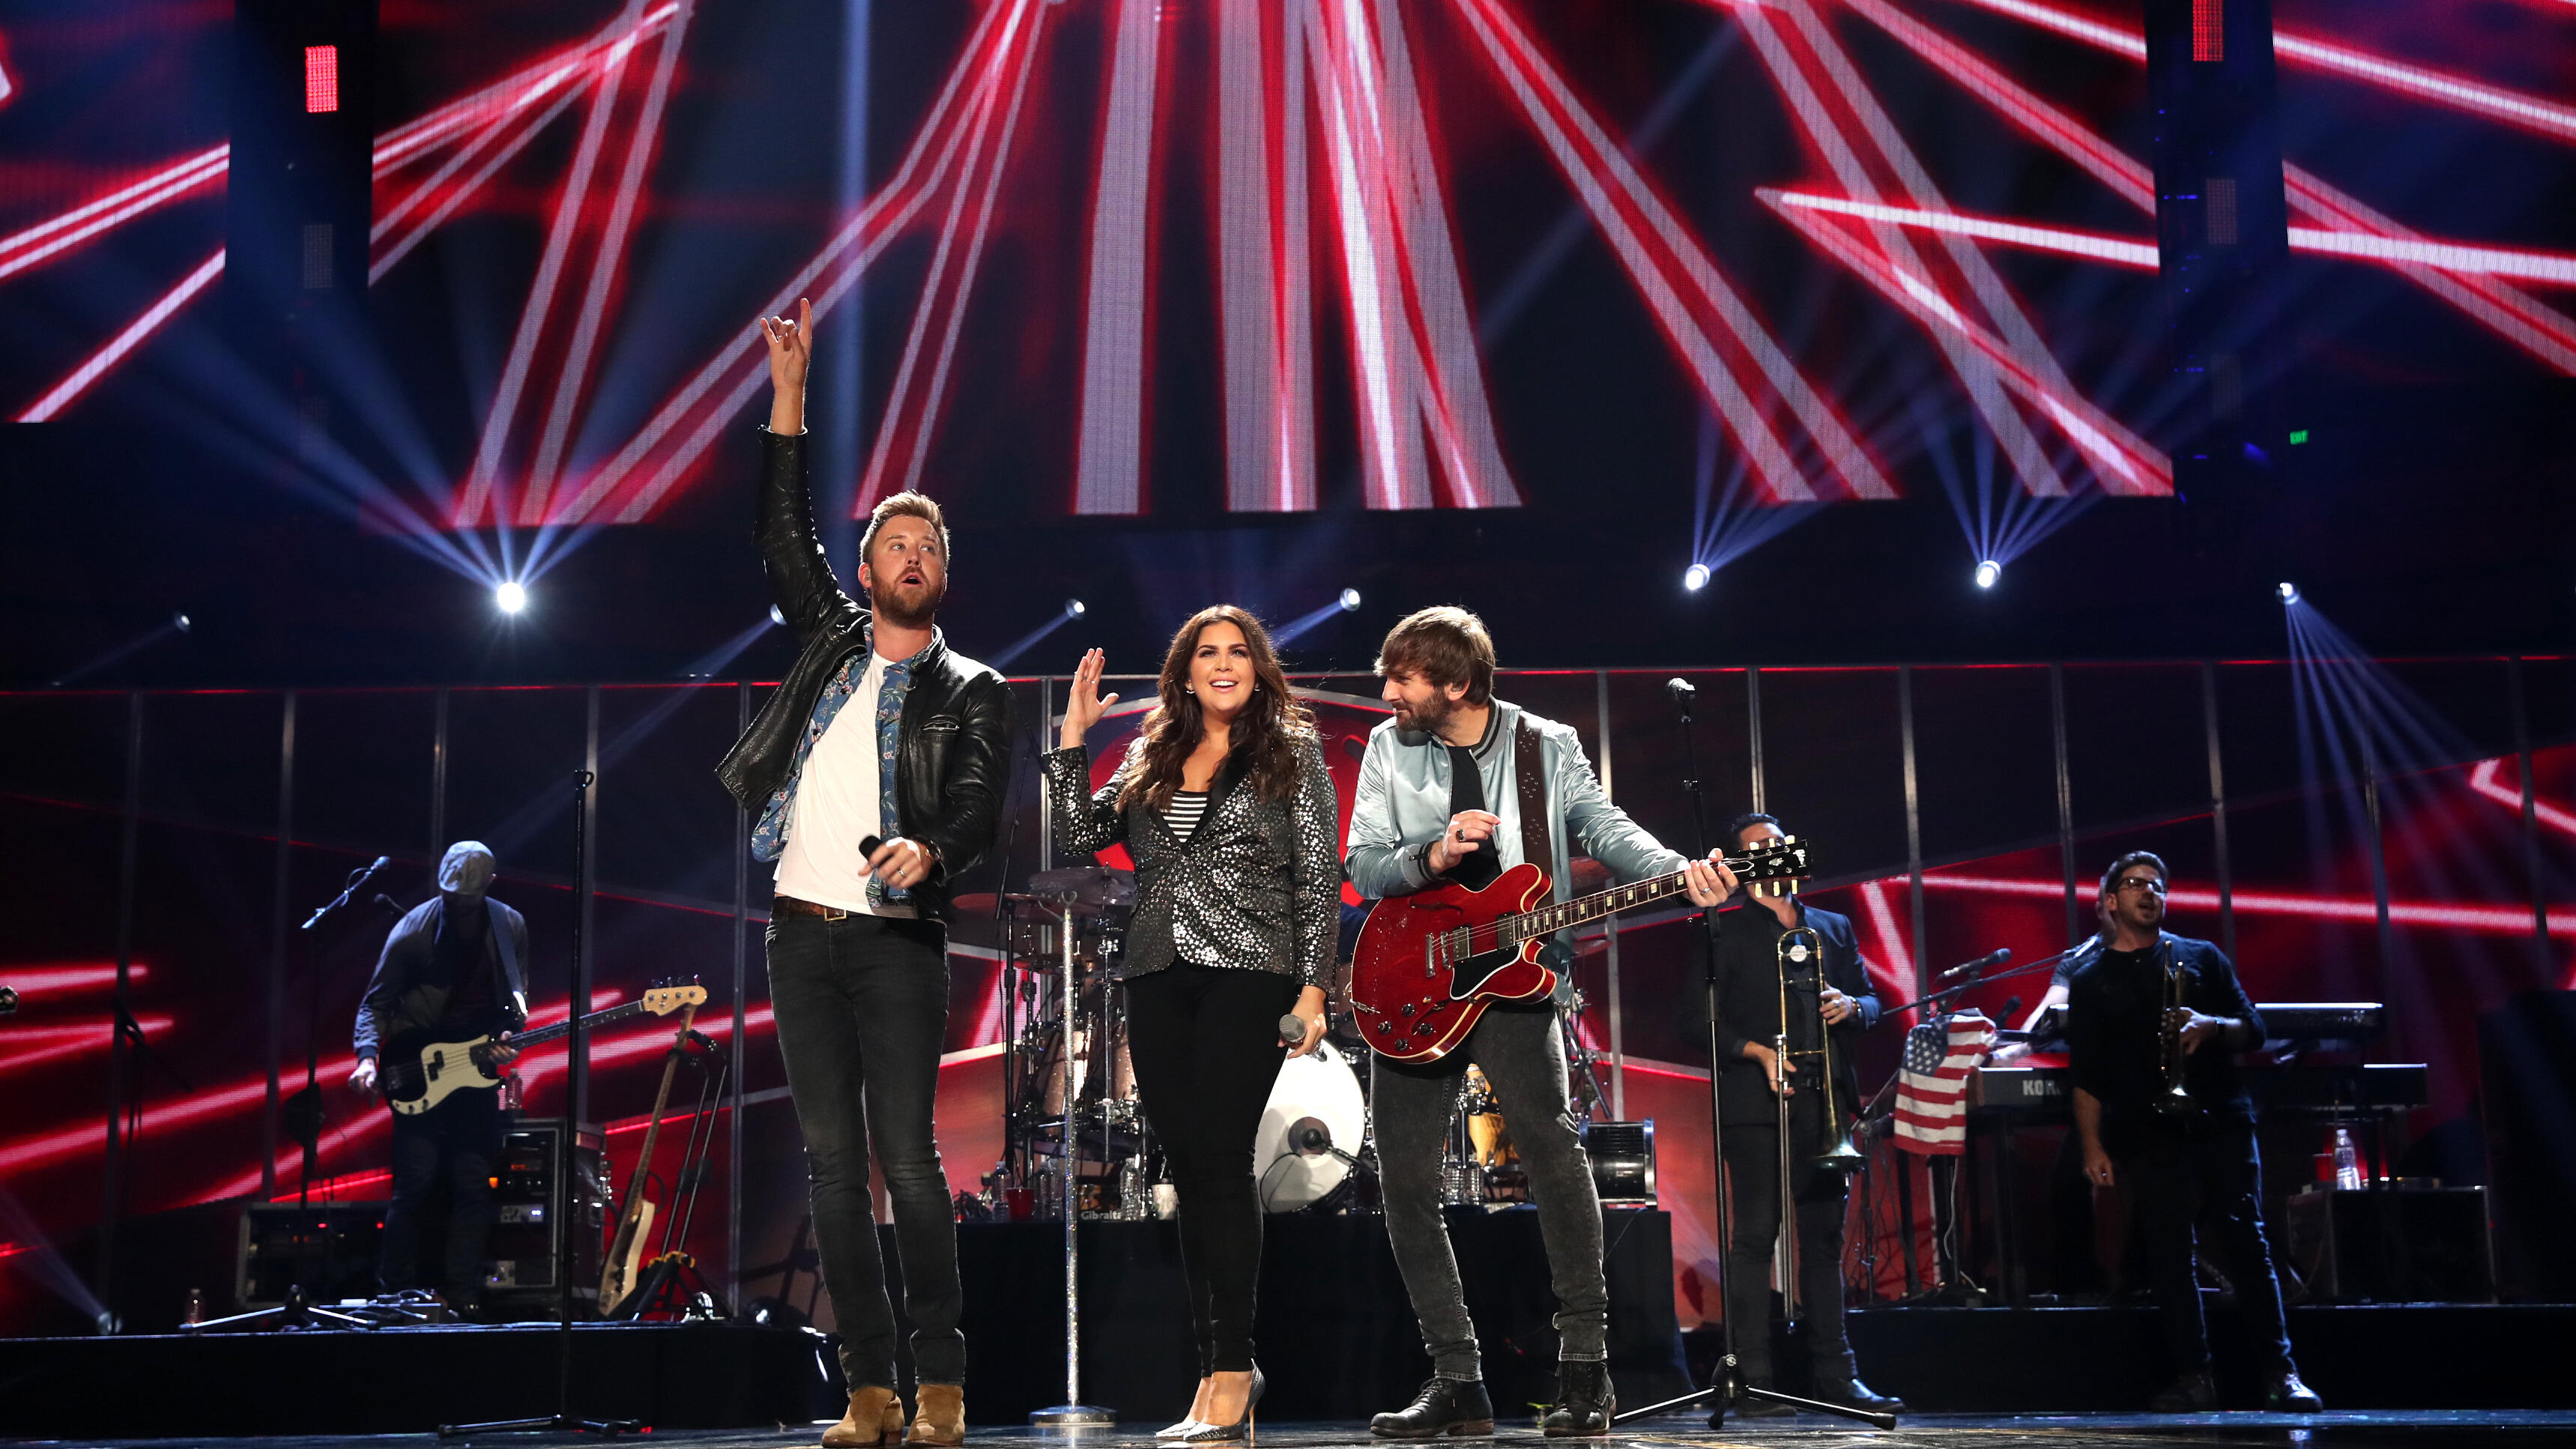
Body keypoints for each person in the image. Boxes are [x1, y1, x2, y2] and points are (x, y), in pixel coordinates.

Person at [716, 298, 1014, 1448]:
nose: (912, 556)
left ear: (944, 573)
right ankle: (869, 1389)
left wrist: (929, 849)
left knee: (908, 1160)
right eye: (896, 542)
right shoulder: (830, 642)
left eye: (929, 546)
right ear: (864, 568)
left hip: (895, 940)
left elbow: (980, 805)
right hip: (799, 932)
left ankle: (941, 1380)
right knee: (831, 1167)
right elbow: (778, 531)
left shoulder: (971, 686)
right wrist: (788, 396)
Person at [1346, 606, 1736, 1439]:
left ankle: (1585, 1371)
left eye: (1403, 679)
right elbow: (1365, 862)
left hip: (1522, 977)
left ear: (1456, 682)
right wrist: (1436, 855)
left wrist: (1679, 871)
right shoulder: (1388, 748)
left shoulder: (1545, 744)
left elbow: (1601, 825)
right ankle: (1456, 1379)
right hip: (1414, 977)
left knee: (1558, 1159)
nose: (1387, 693)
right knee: (1406, 1183)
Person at [1047, 608, 1338, 1445]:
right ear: (1182, 671)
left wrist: (1314, 987)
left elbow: (1319, 877)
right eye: (1206, 652)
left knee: (1220, 1155)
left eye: (1236, 651)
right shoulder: (1151, 753)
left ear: (1257, 668)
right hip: (1158, 973)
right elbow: (1078, 835)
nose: (1222, 663)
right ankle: (1216, 1367)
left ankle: (1233, 1367)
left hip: (1252, 971)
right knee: (1188, 1166)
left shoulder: (1291, 750)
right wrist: (1073, 737)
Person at [2063, 851, 2323, 1414]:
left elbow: (2254, 1029)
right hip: (2146, 1131)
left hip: (2220, 1122)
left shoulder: (2202, 957)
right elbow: (2086, 1075)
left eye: (2157, 885)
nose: (2148, 893)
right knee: (2169, 1253)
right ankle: (2194, 1376)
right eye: (2134, 885)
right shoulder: (2090, 980)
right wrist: (2092, 1145)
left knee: (2246, 1242)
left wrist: (2213, 1026)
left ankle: (2282, 1373)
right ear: (2110, 902)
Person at [1694, 813, 1902, 1416]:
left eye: (1777, 843)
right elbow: (1693, 1021)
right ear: (1738, 862)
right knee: (1756, 1236)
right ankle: (1753, 1378)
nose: (1771, 851)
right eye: (1755, 847)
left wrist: (1852, 1006)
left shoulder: (1832, 928)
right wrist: (1754, 1051)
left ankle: (1838, 1377)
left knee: (1824, 1242)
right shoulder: (1720, 931)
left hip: (1824, 1101)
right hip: (1757, 1105)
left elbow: (1873, 1001)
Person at [349, 840, 527, 1316]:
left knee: (473, 1184)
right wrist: (368, 1059)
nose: (456, 905)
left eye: (465, 899)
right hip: (415, 1066)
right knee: (415, 1184)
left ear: (489, 886)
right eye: (450, 896)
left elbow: (516, 1009)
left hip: (474, 1072)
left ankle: (462, 1298)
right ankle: (393, 1295)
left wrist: (508, 1039)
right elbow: (376, 1003)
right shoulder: (413, 931)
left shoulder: (509, 926)